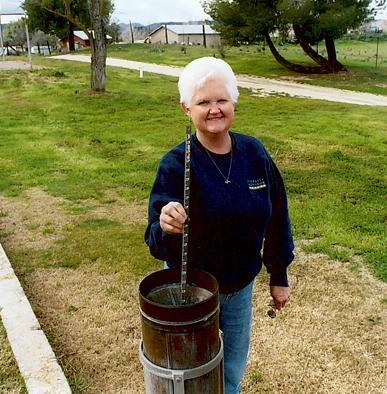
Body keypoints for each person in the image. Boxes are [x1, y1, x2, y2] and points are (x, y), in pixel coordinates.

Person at [145, 57, 294, 393]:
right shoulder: (176, 163)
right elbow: (154, 240)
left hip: (240, 289)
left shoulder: (254, 153)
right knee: (190, 377)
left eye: (221, 100)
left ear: (234, 102)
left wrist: (279, 275)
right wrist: (166, 225)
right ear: (186, 109)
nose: (214, 109)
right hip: (192, 295)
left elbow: (277, 217)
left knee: (230, 375)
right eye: (203, 102)